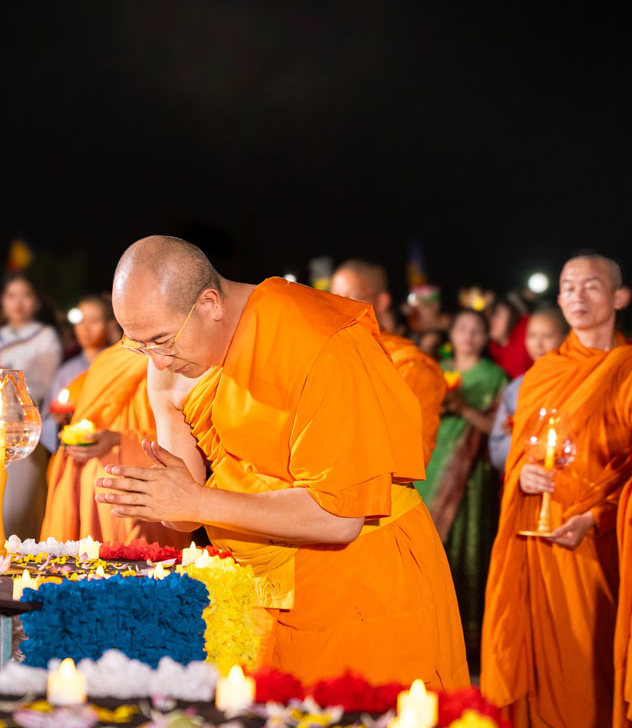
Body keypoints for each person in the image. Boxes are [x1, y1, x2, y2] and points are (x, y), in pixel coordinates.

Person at [98, 235, 468, 687]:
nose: (156, 359)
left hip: (363, 581)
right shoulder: (169, 364)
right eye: (139, 345)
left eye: (160, 340)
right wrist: (163, 499)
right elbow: (185, 511)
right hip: (261, 587)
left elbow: (339, 516)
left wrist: (196, 503)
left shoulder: (316, 340)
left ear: (210, 302)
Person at [483, 253, 632, 728]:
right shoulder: (543, 374)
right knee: (543, 661)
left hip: (603, 542)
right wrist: (522, 474)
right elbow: (525, 451)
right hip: (541, 538)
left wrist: (597, 517)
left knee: (595, 659)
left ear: (619, 297)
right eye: (568, 287)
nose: (576, 296)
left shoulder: (627, 369)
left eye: (591, 286)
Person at [415, 309, 507, 659]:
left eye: (477, 330)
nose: (468, 336)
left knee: (466, 552)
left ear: (486, 337)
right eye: (462, 328)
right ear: (451, 332)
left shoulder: (495, 377)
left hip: (471, 480)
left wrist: (464, 408)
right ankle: (427, 633)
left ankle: (465, 642)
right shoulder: (435, 368)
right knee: (426, 552)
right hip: (431, 469)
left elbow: (498, 431)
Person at [41, 343, 192, 548]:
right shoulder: (107, 360)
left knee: (147, 570)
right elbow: (85, 414)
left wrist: (119, 439)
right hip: (94, 487)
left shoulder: (176, 362)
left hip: (147, 484)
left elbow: (186, 438)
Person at [0, 273, 62, 539]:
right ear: (3, 302)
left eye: (26, 295)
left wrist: (10, 384)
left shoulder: (45, 336)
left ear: (35, 301)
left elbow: (45, 386)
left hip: (24, 432)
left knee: (19, 508)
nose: (18, 303)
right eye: (11, 296)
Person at [331, 260, 445, 465]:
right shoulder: (326, 354)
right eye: (333, 297)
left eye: (351, 296)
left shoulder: (410, 364)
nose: (339, 305)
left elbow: (409, 455)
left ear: (382, 301)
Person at [489, 307, 569, 472]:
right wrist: (519, 435)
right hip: (525, 476)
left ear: (566, 337)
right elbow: (496, 453)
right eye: (532, 336)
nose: (538, 344)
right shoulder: (516, 387)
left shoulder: (575, 381)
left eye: (547, 336)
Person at [40, 295, 118, 453]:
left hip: (110, 449)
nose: (85, 328)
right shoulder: (67, 370)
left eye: (94, 321)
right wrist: (59, 422)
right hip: (73, 452)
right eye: (80, 321)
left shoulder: (119, 366)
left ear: (110, 325)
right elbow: (47, 420)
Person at [488, 296, 534, 379]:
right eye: (488, 317)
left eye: (497, 315)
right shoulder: (493, 349)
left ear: (512, 315)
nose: (492, 321)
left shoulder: (526, 328)